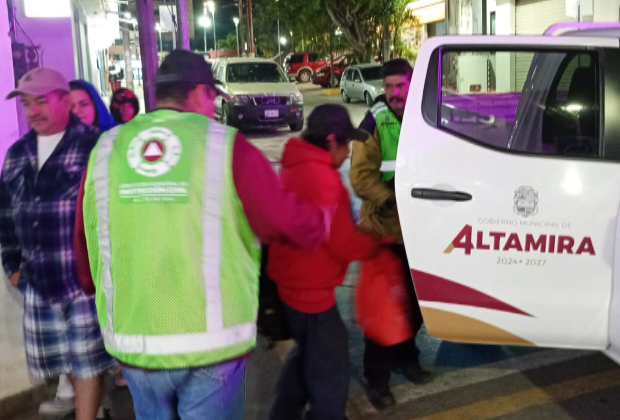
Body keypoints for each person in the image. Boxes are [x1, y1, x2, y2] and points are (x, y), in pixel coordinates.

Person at [73, 49, 329, 420]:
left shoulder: (106, 148)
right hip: (210, 345)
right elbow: (283, 220)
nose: (212, 109)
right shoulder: (225, 146)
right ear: (199, 92)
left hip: (134, 341)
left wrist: (91, 284)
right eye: (212, 98)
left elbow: (84, 237)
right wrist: (320, 221)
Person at [0, 68, 115, 420]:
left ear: (65, 100)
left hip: (83, 279)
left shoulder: (95, 145)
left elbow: (113, 209)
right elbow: (5, 213)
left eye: (41, 101)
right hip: (38, 279)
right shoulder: (18, 152)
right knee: (63, 358)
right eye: (27, 104)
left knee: (88, 361)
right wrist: (13, 265)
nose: (33, 111)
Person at [267, 104, 381, 420]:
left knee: (308, 355)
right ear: (331, 141)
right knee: (331, 370)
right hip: (311, 292)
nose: (349, 152)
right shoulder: (324, 181)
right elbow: (343, 243)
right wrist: (377, 243)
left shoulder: (294, 164)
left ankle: (282, 414)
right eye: (346, 144)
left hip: (288, 284)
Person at [350, 58, 431, 409]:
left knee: (416, 305)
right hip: (384, 231)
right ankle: (377, 379)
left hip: (417, 230)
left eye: (400, 86)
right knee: (383, 311)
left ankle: (405, 358)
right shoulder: (372, 122)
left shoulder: (425, 114)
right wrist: (388, 199)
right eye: (388, 87)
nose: (394, 93)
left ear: (412, 84)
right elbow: (359, 176)